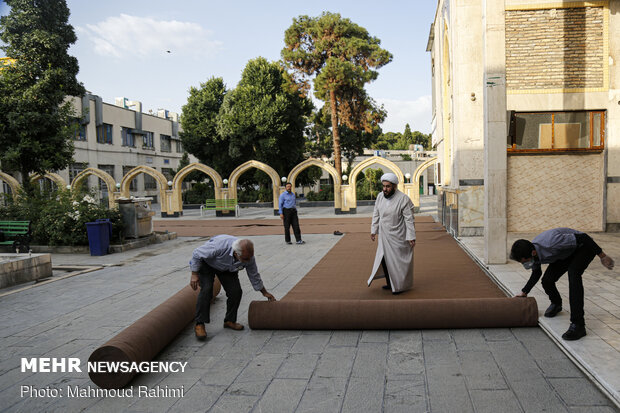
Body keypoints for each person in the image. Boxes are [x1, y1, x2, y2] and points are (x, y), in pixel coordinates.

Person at [510, 228, 614, 341]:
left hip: (584, 247)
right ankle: (556, 304)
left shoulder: (552, 243)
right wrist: (524, 292)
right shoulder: (533, 252)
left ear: (533, 252)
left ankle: (578, 325)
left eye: (525, 261)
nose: (525, 264)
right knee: (547, 280)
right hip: (565, 253)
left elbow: (585, 238)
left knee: (574, 275)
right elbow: (536, 273)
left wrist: (603, 256)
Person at [189, 235, 276, 340]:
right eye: (245, 259)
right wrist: (194, 274)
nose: (248, 261)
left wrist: (264, 292)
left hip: (227, 269)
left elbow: (254, 275)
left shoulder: (248, 257)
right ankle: (199, 324)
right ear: (236, 253)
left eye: (249, 258)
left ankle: (229, 321)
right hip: (208, 264)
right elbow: (197, 254)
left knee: (236, 292)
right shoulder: (219, 247)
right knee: (207, 290)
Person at [368, 172, 416, 294]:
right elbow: (376, 213)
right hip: (384, 235)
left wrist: (411, 236)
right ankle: (390, 283)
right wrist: (374, 230)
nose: (385, 189)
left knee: (398, 262)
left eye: (388, 186)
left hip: (399, 236)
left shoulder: (403, 199)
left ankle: (399, 286)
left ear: (394, 186)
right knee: (384, 259)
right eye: (383, 186)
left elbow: (409, 219)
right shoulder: (380, 196)